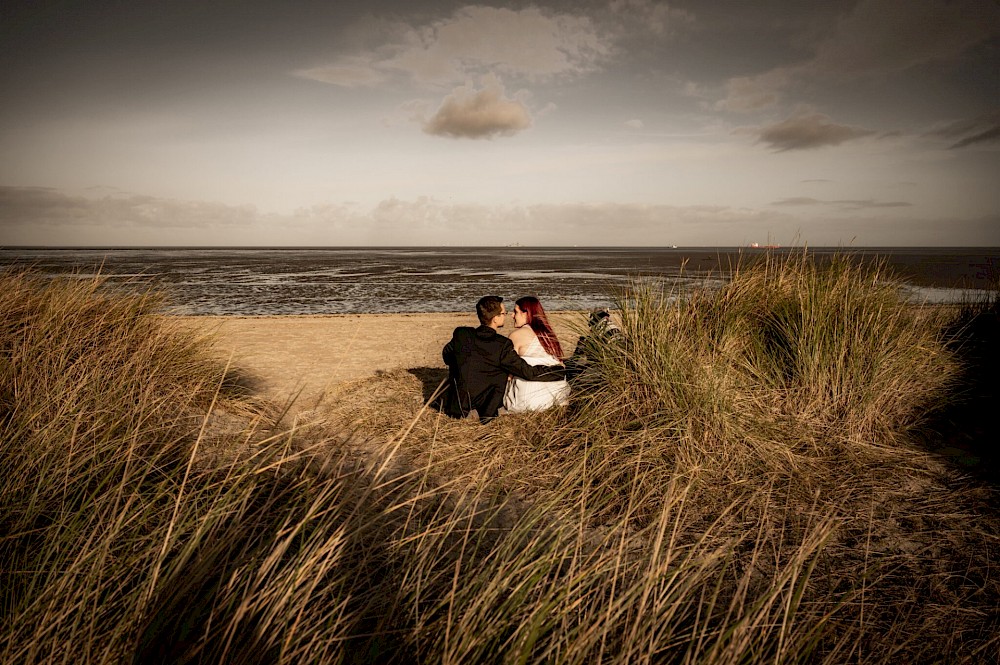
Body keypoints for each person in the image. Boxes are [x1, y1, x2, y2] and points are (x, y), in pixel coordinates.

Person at [440, 295, 566, 423]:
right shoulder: (502, 345)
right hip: (485, 411)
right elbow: (528, 372)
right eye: (504, 313)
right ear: (495, 319)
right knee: (504, 369)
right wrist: (557, 372)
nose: (509, 315)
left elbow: (447, 356)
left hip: (457, 407)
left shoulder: (461, 334)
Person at [503, 296, 571, 413]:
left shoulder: (517, 335)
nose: (512, 316)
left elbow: (510, 369)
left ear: (526, 313)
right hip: (558, 396)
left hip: (529, 399)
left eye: (515, 312)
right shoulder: (549, 336)